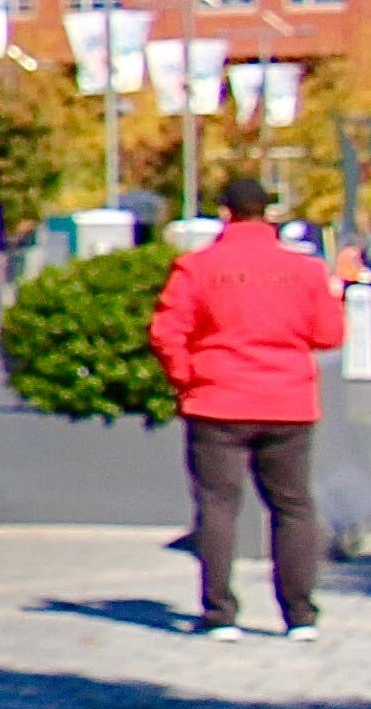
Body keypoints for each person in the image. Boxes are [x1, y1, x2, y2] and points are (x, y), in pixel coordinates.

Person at [149, 174, 348, 639]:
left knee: (218, 506)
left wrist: (187, 376)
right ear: (269, 213)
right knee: (293, 506)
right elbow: (328, 335)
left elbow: (167, 330)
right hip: (288, 402)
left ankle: (220, 613)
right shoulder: (304, 270)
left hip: (217, 399)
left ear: (224, 212)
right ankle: (299, 615)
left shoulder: (197, 268)